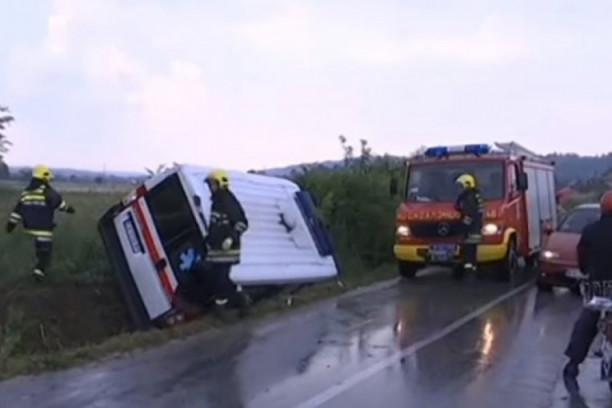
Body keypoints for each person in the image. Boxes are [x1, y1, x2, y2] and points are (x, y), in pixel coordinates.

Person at [563, 190, 612, 381]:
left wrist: (585, 271)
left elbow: (582, 257)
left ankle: (573, 364)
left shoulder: (590, 231)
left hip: (597, 287)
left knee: (587, 322)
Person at [5, 164, 75, 279]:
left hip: (28, 229)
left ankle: (35, 270)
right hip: (44, 229)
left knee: (35, 250)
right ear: (45, 177)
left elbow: (17, 212)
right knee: (45, 252)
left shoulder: (26, 193)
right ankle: (39, 271)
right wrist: (69, 209)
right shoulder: (48, 191)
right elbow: (59, 204)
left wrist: (10, 225)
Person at [204, 169, 249, 320]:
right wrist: (209, 239)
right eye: (209, 184)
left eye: (212, 184)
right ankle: (242, 300)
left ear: (220, 183)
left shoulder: (228, 200)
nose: (210, 187)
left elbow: (242, 223)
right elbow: (216, 225)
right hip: (217, 250)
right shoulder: (216, 201)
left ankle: (222, 308)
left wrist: (231, 238)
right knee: (217, 278)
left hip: (228, 250)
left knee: (220, 279)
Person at [454, 173, 484, 273]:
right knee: (472, 249)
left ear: (467, 184)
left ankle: (469, 269)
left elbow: (469, 214)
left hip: (471, 229)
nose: (460, 188)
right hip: (475, 228)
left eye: (461, 185)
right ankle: (472, 267)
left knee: (469, 249)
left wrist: (463, 227)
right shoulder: (475, 195)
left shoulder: (469, 197)